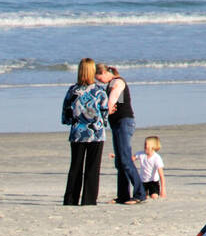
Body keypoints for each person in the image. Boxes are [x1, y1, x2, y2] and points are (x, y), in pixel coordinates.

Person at [61, 58, 110, 205]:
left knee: (75, 166)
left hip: (77, 133)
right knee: (92, 167)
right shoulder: (99, 91)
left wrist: (74, 122)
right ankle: (88, 199)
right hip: (96, 133)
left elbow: (66, 115)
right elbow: (105, 113)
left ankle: (71, 199)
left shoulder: (72, 91)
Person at [97, 64, 145, 204]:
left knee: (125, 159)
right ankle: (123, 195)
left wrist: (106, 109)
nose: (98, 81)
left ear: (104, 72)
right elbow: (118, 102)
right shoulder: (110, 84)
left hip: (125, 122)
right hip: (117, 123)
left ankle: (140, 194)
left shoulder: (117, 82)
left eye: (98, 77)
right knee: (119, 161)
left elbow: (112, 101)